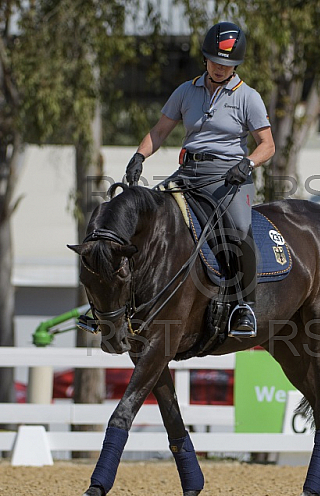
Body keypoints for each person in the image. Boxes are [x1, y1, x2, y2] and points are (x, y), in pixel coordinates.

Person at [124, 21, 275, 337]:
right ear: (205, 59)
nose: (220, 69)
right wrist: (140, 155)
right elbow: (160, 131)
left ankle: (244, 306)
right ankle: (122, 300)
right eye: (216, 62)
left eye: (228, 65)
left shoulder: (248, 97)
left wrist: (246, 164)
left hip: (230, 177)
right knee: (146, 220)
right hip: (189, 173)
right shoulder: (185, 91)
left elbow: (268, 145)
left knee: (239, 231)